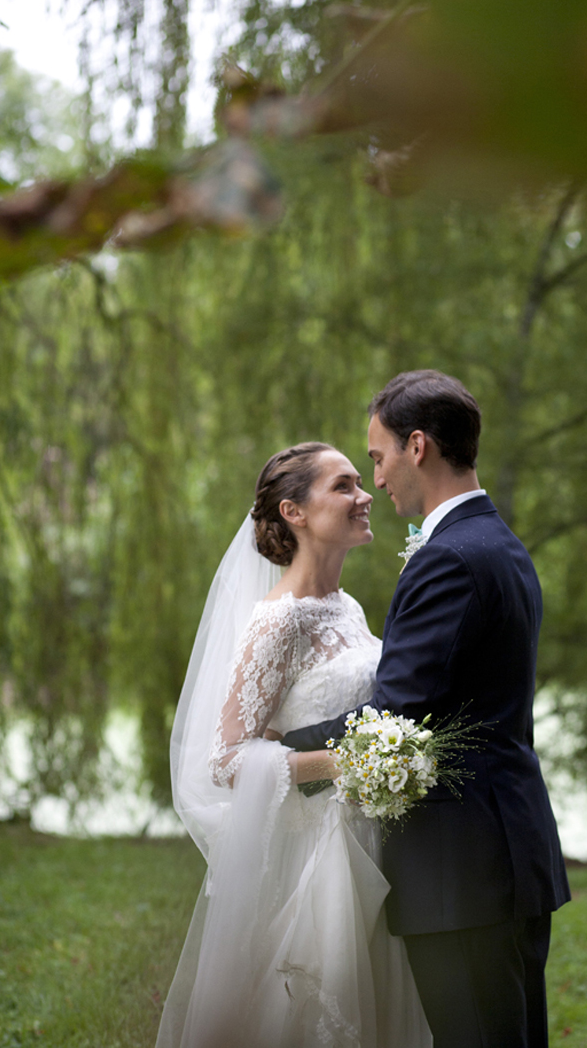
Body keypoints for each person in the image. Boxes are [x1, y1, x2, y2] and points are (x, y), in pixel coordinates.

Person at [283, 371, 571, 1048]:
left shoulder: (449, 559)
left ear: (418, 445)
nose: (376, 481)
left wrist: (277, 748)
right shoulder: (498, 543)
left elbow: (395, 717)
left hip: (462, 873)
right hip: (503, 856)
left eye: (378, 457)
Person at [156, 442, 432, 1048]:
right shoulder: (278, 622)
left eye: (362, 482)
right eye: (344, 486)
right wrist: (351, 765)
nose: (365, 496)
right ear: (294, 512)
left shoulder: (346, 608)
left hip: (376, 840)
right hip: (318, 855)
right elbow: (226, 760)